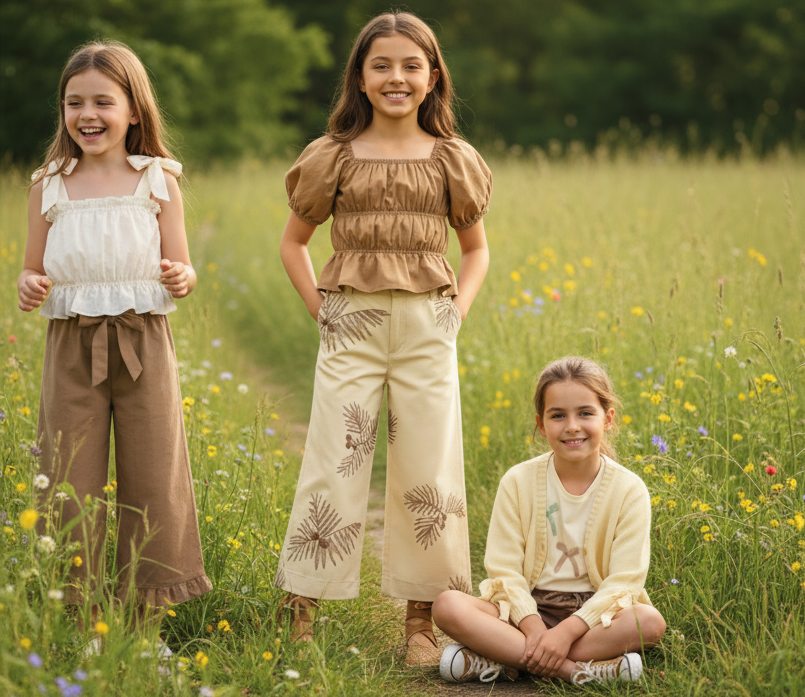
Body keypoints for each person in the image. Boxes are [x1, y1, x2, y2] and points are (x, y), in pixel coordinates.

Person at [274, 11, 491, 666]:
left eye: (409, 65)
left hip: (428, 324)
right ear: (361, 80)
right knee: (334, 459)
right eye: (381, 65)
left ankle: (421, 621)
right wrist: (324, 312)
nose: (395, 77)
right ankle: (301, 608)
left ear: (431, 78)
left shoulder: (453, 158)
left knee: (429, 468)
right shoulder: (332, 156)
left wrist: (456, 311)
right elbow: (293, 244)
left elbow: (475, 250)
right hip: (351, 323)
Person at [18, 40, 212, 650]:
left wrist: (183, 276)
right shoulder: (49, 185)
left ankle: (142, 622)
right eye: (74, 102)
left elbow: (179, 266)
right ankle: (79, 618)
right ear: (63, 112)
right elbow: (31, 268)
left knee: (153, 476)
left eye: (104, 100)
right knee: (68, 475)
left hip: (143, 342)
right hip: (71, 345)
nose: (88, 114)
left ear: (133, 109)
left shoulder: (156, 181)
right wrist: (28, 284)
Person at [432, 357, 666, 685]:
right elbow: (505, 571)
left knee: (649, 622)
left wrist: (569, 630)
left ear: (608, 419)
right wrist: (533, 625)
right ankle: (578, 672)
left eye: (585, 413)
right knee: (448, 606)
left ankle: (504, 661)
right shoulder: (518, 481)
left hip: (594, 615)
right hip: (525, 608)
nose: (572, 426)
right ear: (542, 425)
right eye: (558, 416)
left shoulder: (629, 490)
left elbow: (623, 583)